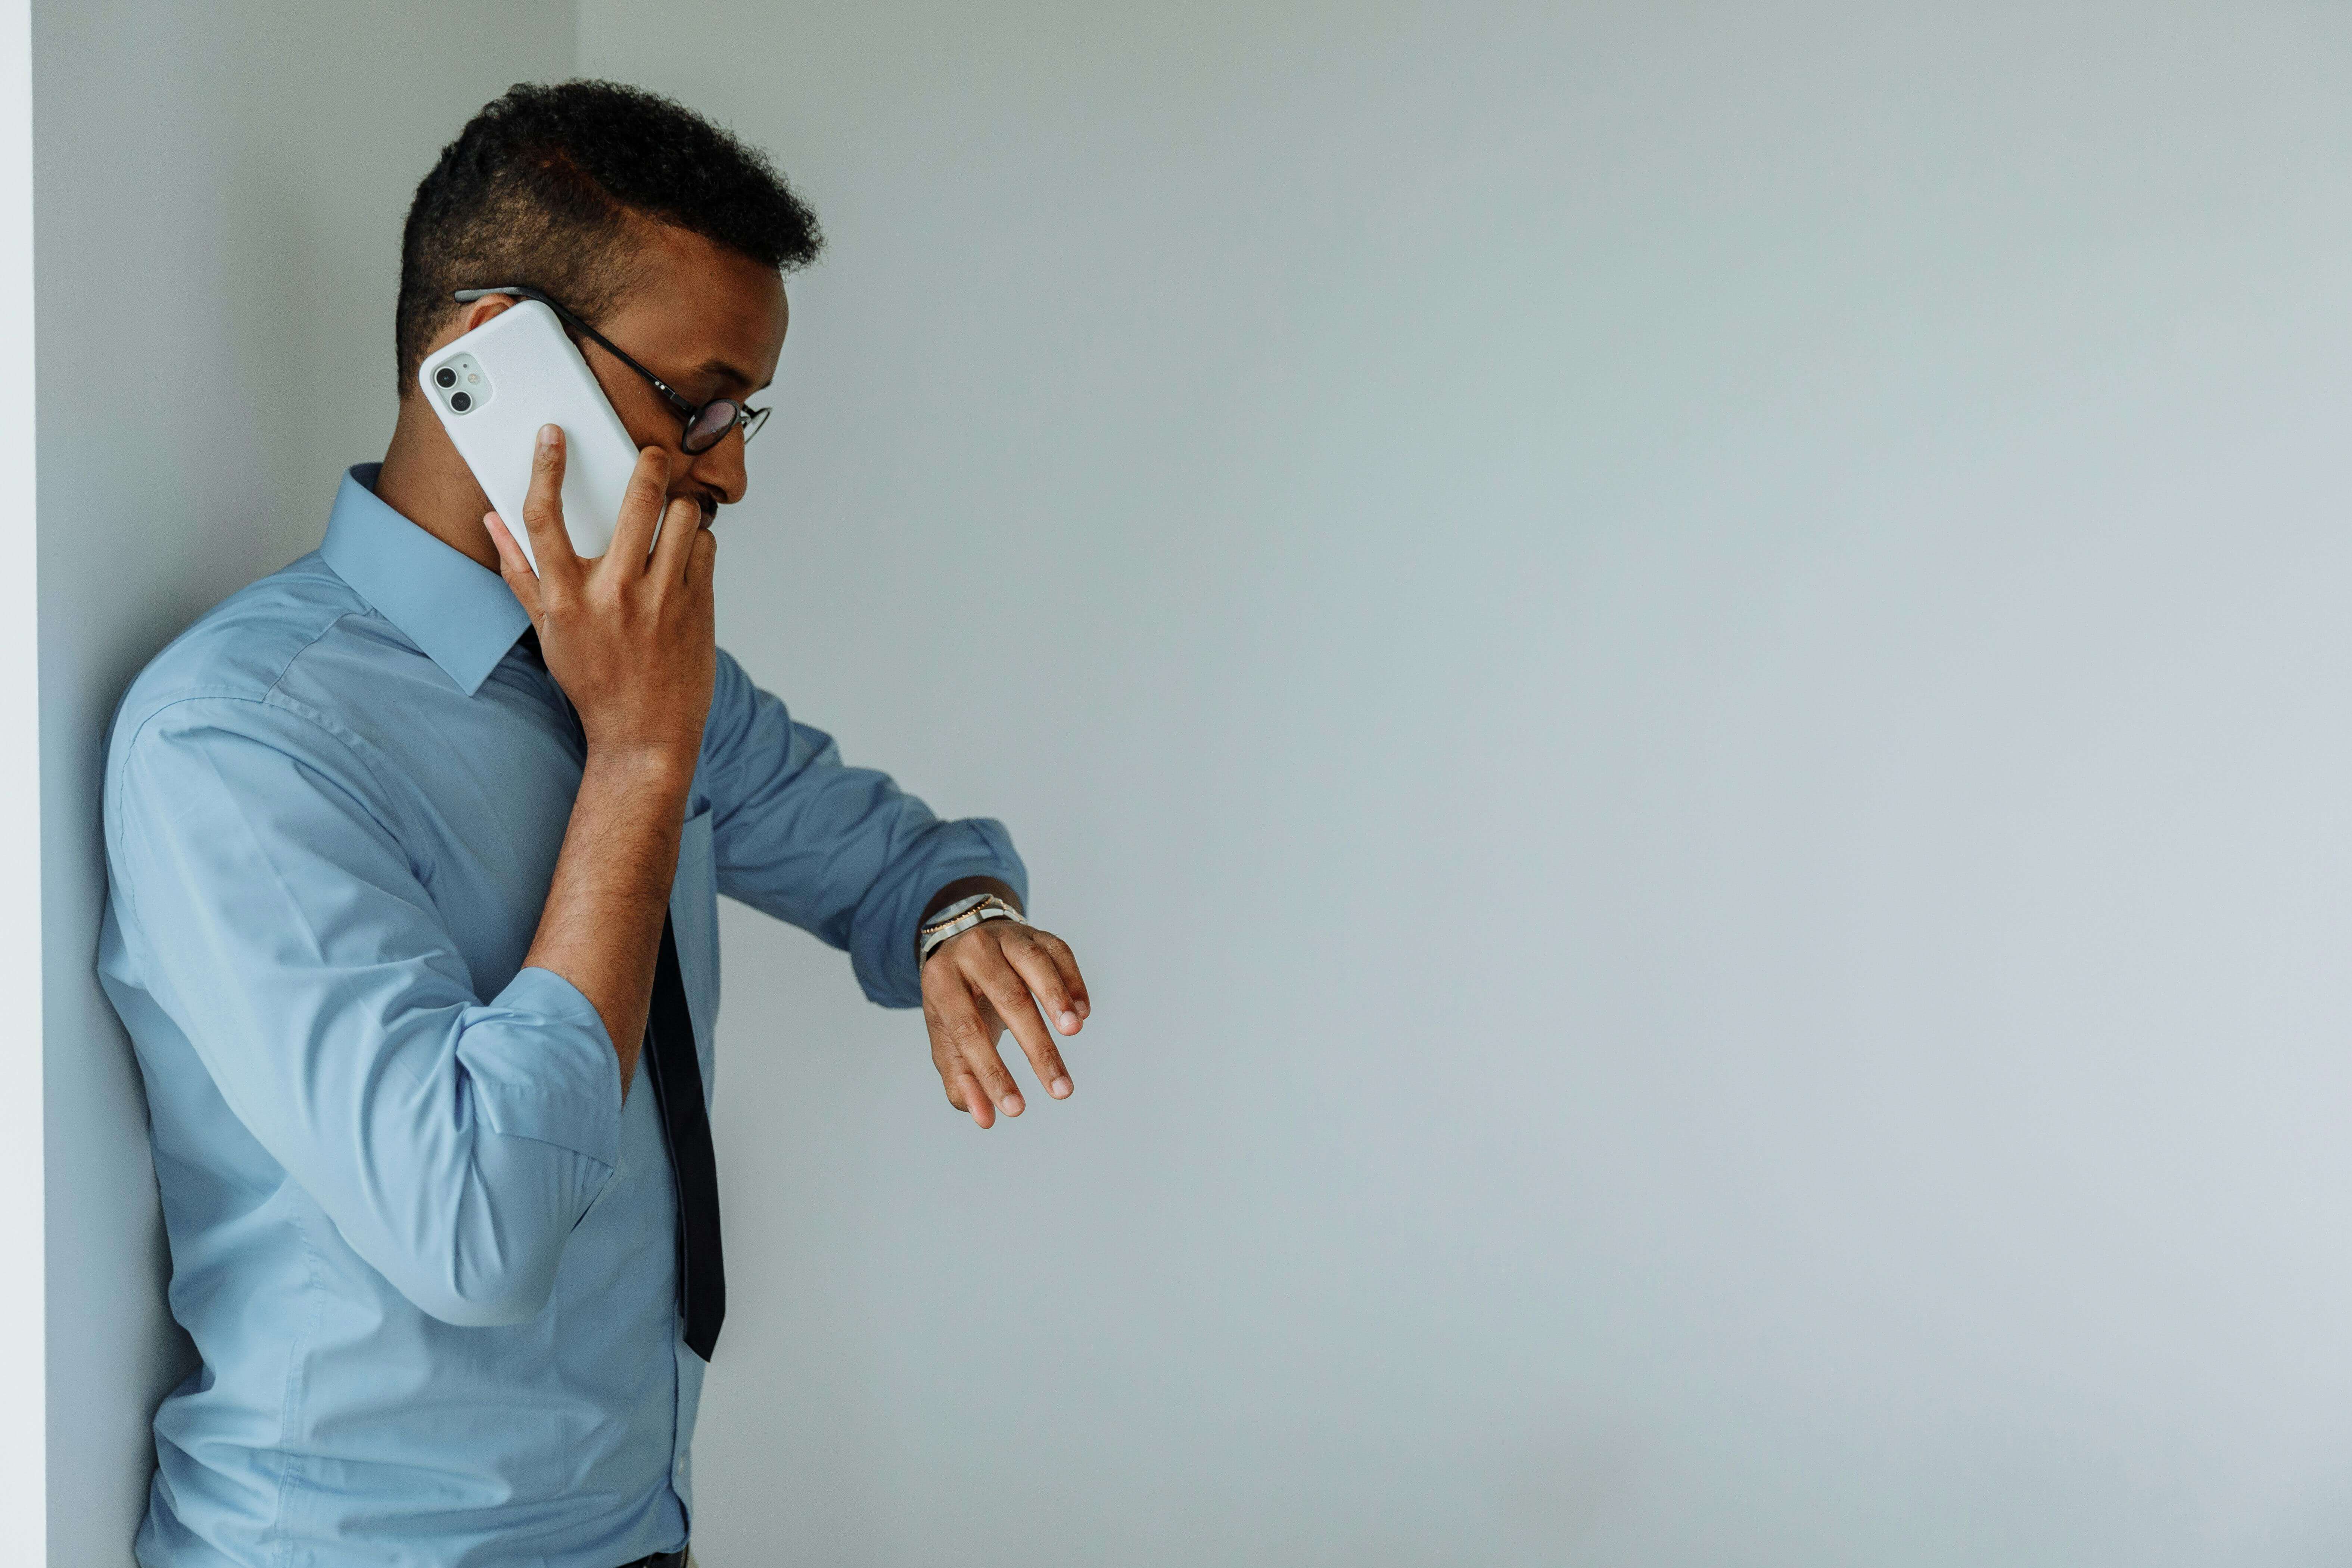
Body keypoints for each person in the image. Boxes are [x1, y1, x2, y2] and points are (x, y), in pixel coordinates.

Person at [98, 80, 1090, 1567]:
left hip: (636, 1522)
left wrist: (960, 916)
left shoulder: (638, 661)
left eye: (743, 413)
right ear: (481, 358)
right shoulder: (238, 740)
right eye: (694, 402)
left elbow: (871, 847)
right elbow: (478, 1232)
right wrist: (636, 763)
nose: (734, 468)